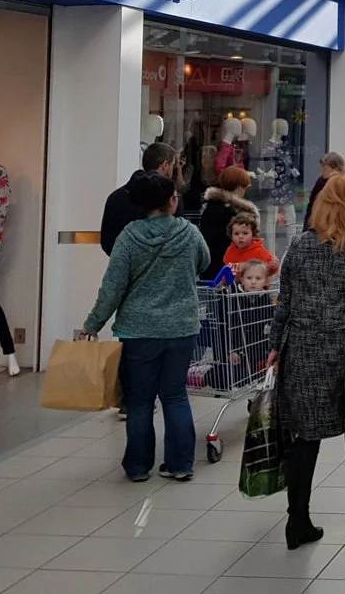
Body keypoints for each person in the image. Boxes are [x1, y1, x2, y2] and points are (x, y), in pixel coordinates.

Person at [267, 175, 345, 548]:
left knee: (305, 438)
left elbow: (285, 303)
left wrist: (276, 346)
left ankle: (298, 521)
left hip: (303, 353)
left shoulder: (300, 246)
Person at [81, 171, 208, 483]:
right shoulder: (189, 233)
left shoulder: (128, 237)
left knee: (139, 400)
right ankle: (180, 464)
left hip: (138, 331)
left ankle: (138, 467)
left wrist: (92, 323)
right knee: (175, 395)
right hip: (181, 327)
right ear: (171, 201)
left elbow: (112, 287)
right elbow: (204, 261)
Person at [100, 142, 180, 255]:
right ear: (165, 165)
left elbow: (107, 241)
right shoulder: (168, 198)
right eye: (173, 165)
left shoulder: (116, 197)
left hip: (124, 266)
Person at [197, 166, 257, 280]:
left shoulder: (209, 207)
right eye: (245, 188)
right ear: (239, 188)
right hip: (231, 270)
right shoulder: (235, 213)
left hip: (210, 268)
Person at [305, 151, 345, 220]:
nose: (321, 170)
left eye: (325, 169)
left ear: (335, 169)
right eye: (321, 167)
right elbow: (311, 205)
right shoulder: (320, 182)